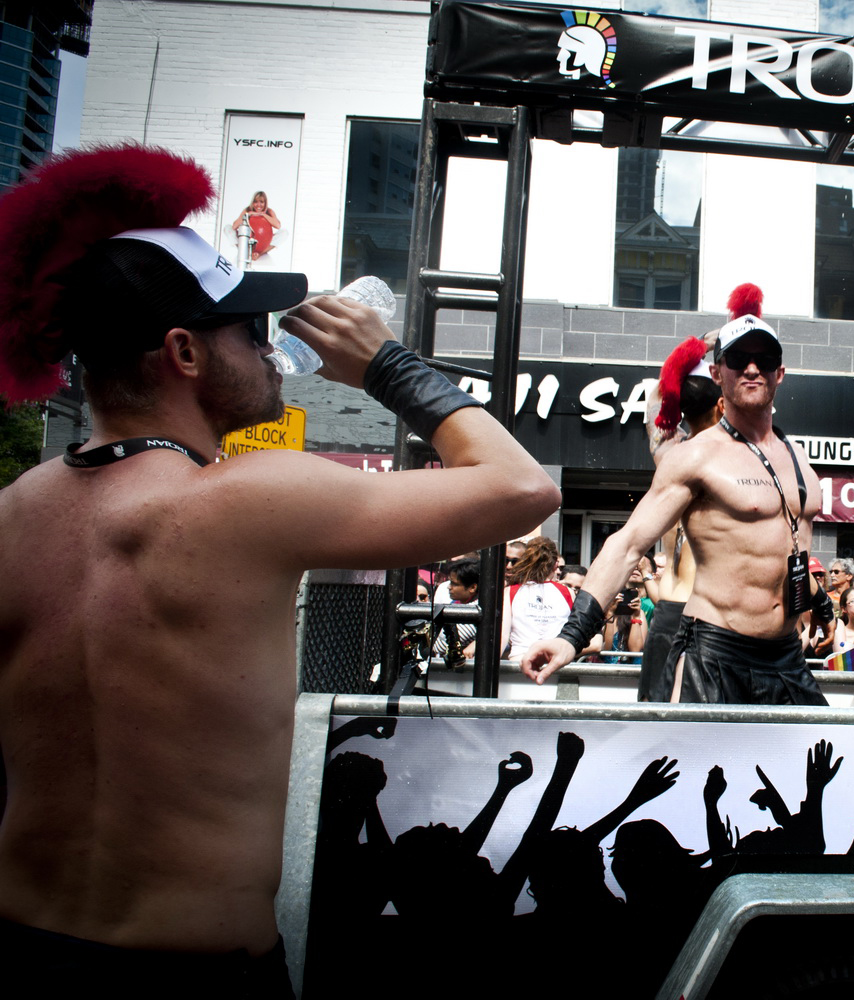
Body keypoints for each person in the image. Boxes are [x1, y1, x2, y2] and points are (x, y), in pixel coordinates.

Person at [0, 145, 559, 991]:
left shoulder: (14, 513)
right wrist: (386, 364)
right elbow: (522, 488)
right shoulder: (243, 497)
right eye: (249, 330)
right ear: (184, 352)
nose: (272, 350)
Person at [521, 283, 833, 705]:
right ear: (717, 373)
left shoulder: (799, 459)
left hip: (786, 656)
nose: (751, 369)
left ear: (780, 373)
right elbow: (627, 545)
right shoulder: (694, 456)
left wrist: (823, 605)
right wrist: (571, 636)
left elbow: (786, 552)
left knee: (823, 748)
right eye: (737, 359)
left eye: (764, 360)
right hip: (716, 653)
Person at [638, 332, 723, 700]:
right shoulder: (731, 465)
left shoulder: (671, 459)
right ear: (722, 406)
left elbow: (657, 395)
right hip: (703, 615)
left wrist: (701, 344)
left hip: (668, 610)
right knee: (701, 725)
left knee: (655, 722)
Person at [500, 537, 573, 659]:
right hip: (555, 662)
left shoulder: (510, 591)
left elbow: (502, 636)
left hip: (520, 660)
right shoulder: (568, 593)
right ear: (555, 565)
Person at [433, 558, 481, 666]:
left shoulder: (475, 610)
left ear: (472, 587)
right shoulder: (457, 603)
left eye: (454, 584)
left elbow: (440, 646)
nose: (449, 587)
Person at [238, 190, 281, 262]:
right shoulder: (248, 210)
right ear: (252, 203)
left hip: (265, 241)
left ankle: (259, 254)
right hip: (248, 241)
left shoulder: (269, 211)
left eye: (261, 202)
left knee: (284, 232)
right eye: (256, 202)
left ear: (265, 203)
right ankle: (247, 251)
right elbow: (234, 226)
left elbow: (278, 226)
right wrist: (248, 214)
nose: (258, 205)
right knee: (228, 228)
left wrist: (262, 214)